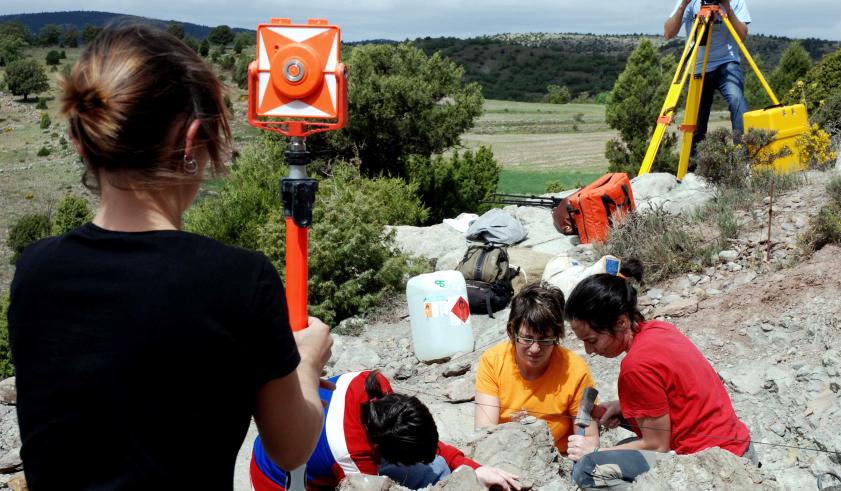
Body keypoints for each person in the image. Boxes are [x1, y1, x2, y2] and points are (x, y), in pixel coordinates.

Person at [6, 23, 333, 489]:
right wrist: (306, 362)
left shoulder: (34, 271)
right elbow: (292, 446)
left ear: (82, 143)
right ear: (190, 140)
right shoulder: (238, 280)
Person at [563, 259, 754, 489]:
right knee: (625, 444)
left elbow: (656, 445)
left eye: (592, 340)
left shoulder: (636, 367)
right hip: (739, 445)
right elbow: (674, 394)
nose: (589, 351)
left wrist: (594, 451)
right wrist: (625, 407)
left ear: (621, 322)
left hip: (715, 465)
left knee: (587, 468)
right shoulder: (659, 330)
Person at [251, 370, 521, 490]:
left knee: (437, 468)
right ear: (380, 451)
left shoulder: (375, 385)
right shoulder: (353, 458)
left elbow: (420, 442)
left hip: (321, 447)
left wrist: (472, 469)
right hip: (277, 476)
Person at [475, 283, 599, 455]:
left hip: (556, 458)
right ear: (512, 331)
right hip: (504, 453)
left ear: (556, 336)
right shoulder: (493, 361)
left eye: (544, 340)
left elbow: (588, 437)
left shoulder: (576, 370)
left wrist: (584, 449)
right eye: (527, 338)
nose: (535, 349)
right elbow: (484, 433)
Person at [665, 0, 752, 163]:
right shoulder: (691, 3)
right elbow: (668, 33)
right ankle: (694, 166)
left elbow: (742, 35)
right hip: (698, 67)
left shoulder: (735, 2)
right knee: (697, 119)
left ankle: (743, 159)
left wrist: (727, 8)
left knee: (737, 100)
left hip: (727, 63)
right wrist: (684, 4)